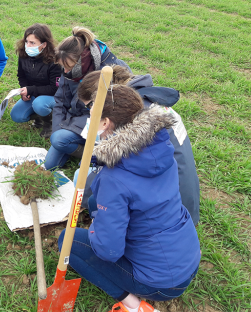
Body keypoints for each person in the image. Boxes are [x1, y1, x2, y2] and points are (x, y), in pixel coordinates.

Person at [58, 85, 200, 312]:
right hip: (188, 258)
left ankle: (133, 304)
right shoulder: (159, 149)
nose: (88, 120)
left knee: (68, 240)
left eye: (91, 114)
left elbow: (108, 251)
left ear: (104, 123)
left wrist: (97, 231)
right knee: (96, 203)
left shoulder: (114, 179)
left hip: (161, 282)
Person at [75, 65, 200, 224]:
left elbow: (108, 162)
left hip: (168, 211)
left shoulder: (132, 118)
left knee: (86, 179)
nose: (89, 111)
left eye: (89, 106)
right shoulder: (140, 100)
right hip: (180, 194)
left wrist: (80, 199)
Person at [44, 26, 130, 170]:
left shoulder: (114, 70)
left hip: (104, 124)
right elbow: (60, 101)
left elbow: (123, 110)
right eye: (63, 67)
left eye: (68, 67)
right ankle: (80, 148)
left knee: (61, 142)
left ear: (81, 63)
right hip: (78, 120)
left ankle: (95, 155)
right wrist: (58, 129)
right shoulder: (70, 70)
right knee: (51, 160)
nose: (64, 72)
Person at [9, 24, 61, 138]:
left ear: (44, 44)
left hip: (53, 96)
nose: (28, 45)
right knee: (16, 116)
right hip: (34, 93)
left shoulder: (54, 61)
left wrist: (31, 90)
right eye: (26, 41)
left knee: (39, 104)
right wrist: (24, 91)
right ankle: (39, 117)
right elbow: (21, 76)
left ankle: (49, 123)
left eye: (32, 43)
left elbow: (55, 88)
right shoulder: (23, 54)